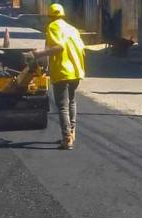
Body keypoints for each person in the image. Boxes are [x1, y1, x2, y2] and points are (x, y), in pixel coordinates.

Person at [30, 3, 86, 149]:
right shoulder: (72, 29)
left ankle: (66, 138)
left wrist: (37, 54)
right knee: (72, 102)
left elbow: (58, 47)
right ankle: (72, 133)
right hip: (76, 70)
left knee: (62, 106)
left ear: (50, 16)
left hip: (62, 71)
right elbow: (81, 48)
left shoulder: (53, 27)